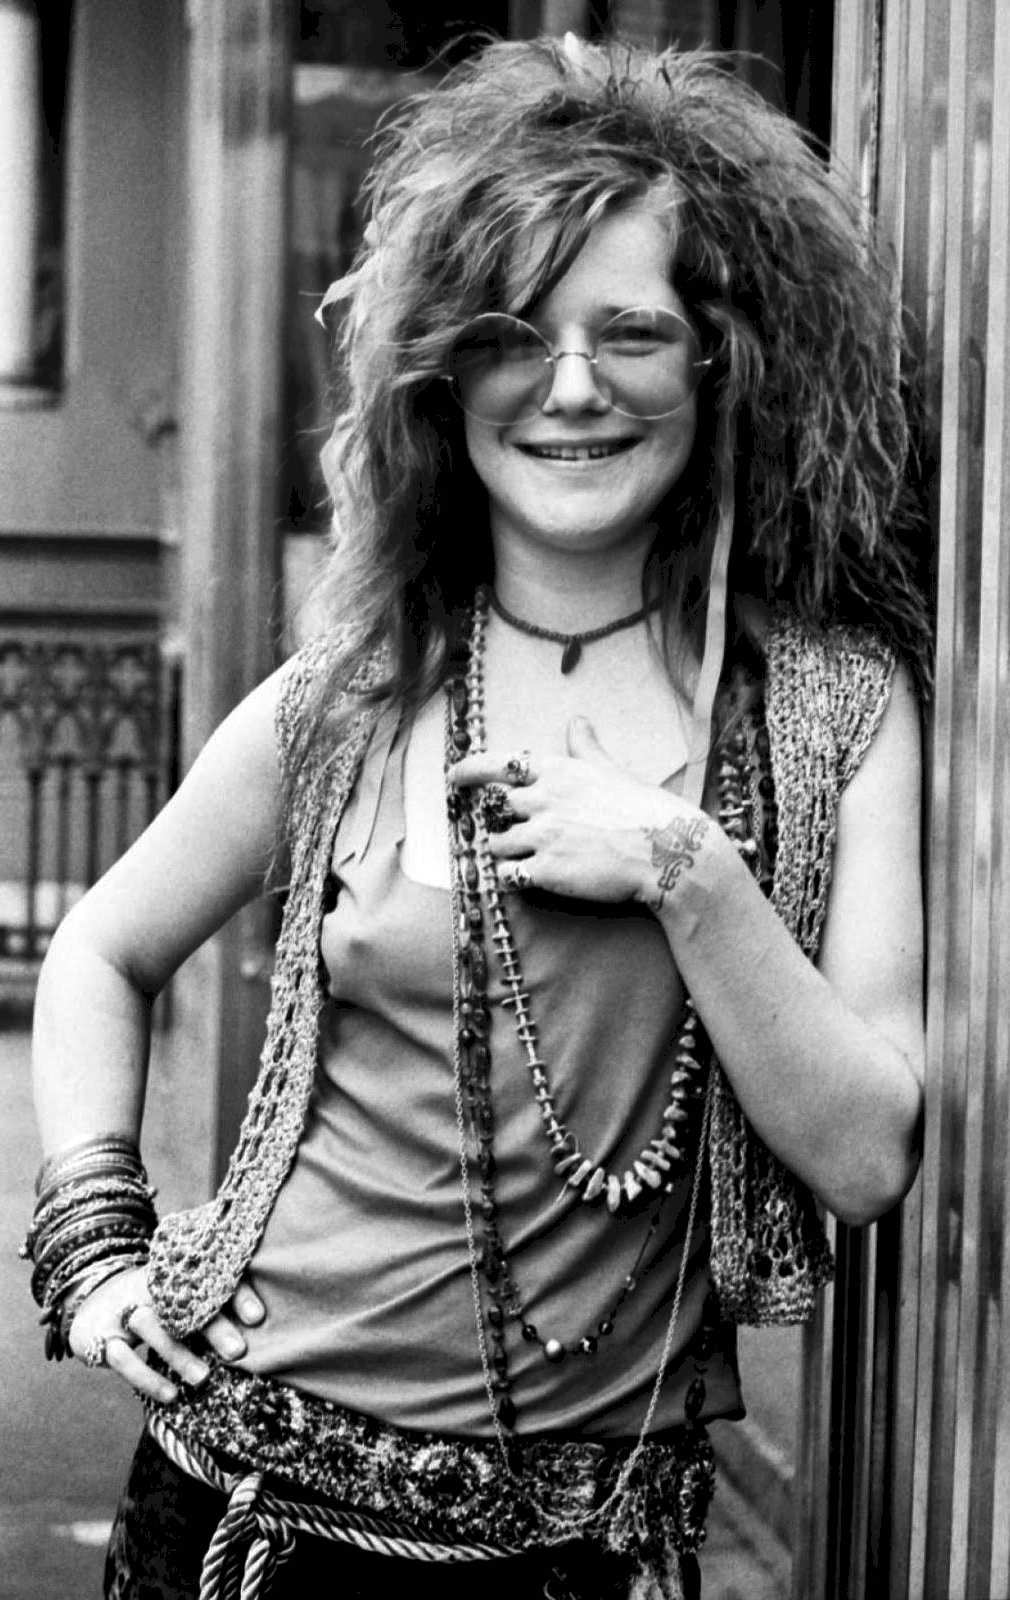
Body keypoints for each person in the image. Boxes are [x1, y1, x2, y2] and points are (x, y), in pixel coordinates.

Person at [24, 33, 931, 1600]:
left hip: (586, 1547)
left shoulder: (833, 711)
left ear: (720, 364)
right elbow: (101, 947)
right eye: (516, 335)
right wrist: (94, 1250)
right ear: (446, 378)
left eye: (631, 333)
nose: (571, 387)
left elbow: (864, 1158)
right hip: (247, 1512)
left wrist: (685, 870)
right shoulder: (353, 693)